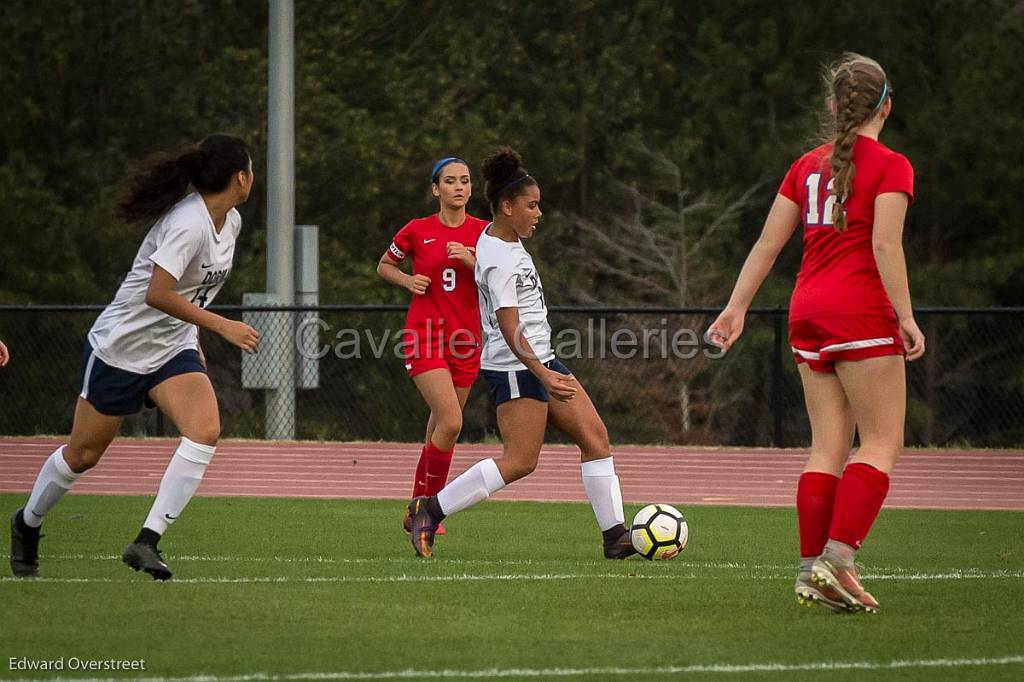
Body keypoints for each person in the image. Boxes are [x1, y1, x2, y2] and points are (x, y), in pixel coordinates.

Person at [706, 53, 925, 613]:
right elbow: (884, 245)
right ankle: (839, 560)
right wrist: (904, 316)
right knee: (880, 443)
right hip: (859, 313)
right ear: (887, 106)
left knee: (827, 446)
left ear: (833, 106)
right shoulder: (891, 165)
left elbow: (767, 244)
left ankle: (811, 571)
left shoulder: (805, 165)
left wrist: (736, 309)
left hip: (806, 313)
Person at [9, 134, 259, 581]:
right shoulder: (188, 223)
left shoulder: (232, 222)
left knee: (204, 432)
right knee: (83, 455)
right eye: (251, 169)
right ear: (241, 177)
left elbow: (190, 291)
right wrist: (220, 325)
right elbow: (157, 293)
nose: (253, 177)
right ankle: (26, 522)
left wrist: (194, 336)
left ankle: (146, 541)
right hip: (120, 348)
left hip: (172, 348)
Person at [407, 147, 636, 560]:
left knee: (596, 438)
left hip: (541, 359)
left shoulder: (500, 242)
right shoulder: (499, 257)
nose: (539, 212)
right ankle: (430, 508)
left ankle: (615, 536)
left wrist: (547, 367)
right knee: (520, 461)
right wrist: (543, 375)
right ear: (507, 207)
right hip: (516, 367)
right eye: (532, 205)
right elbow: (509, 328)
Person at [377, 157, 489, 536]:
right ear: (435, 189)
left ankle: (416, 507)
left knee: (439, 428)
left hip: (467, 341)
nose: (459, 187)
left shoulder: (484, 232)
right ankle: (430, 510)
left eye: (465, 180)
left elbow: (499, 282)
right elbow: (384, 266)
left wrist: (474, 262)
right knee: (452, 422)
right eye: (450, 181)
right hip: (425, 337)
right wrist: (407, 281)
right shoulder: (417, 229)